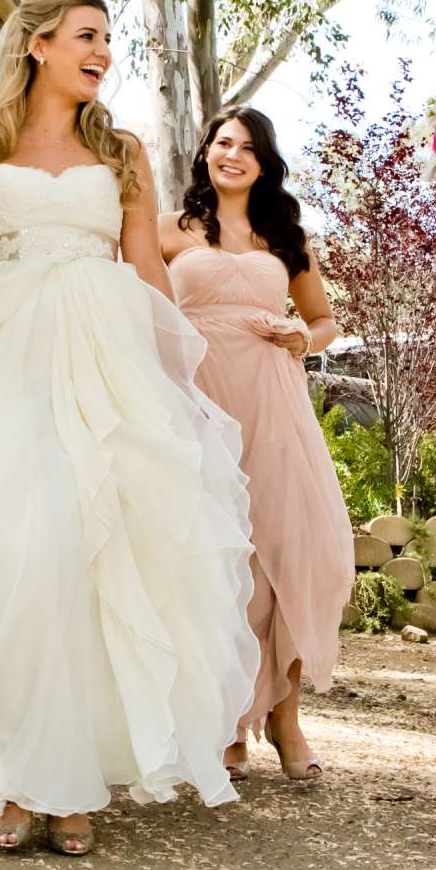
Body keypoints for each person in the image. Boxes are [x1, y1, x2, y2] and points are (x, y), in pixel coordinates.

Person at [0, 0, 258, 857]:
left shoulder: (121, 150)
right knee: (17, 549)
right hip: (3, 361)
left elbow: (144, 268)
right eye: (87, 34)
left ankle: (74, 775)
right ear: (38, 44)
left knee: (93, 555)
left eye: (109, 38)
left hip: (102, 360)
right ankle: (18, 769)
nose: (103, 51)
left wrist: (179, 382)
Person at [159, 107, 353, 783]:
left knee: (293, 553)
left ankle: (285, 716)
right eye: (222, 142)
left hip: (274, 403)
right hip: (198, 403)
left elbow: (324, 320)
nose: (232, 154)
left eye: (246, 146)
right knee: (218, 562)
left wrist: (307, 338)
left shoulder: (286, 238)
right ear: (205, 153)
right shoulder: (169, 232)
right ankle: (226, 721)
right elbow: (137, 308)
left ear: (265, 161)